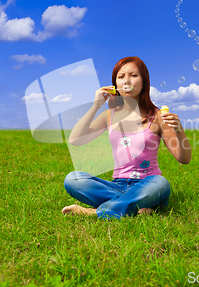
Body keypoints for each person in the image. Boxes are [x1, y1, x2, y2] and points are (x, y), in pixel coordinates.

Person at [62, 56, 191, 219]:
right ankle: (136, 206)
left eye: (133, 75)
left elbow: (184, 158)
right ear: (115, 84)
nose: (127, 81)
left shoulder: (158, 117)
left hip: (148, 184)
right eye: (121, 76)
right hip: (116, 185)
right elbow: (76, 139)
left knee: (161, 183)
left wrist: (179, 130)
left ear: (144, 82)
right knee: (73, 179)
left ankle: (95, 212)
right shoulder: (109, 115)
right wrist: (95, 105)